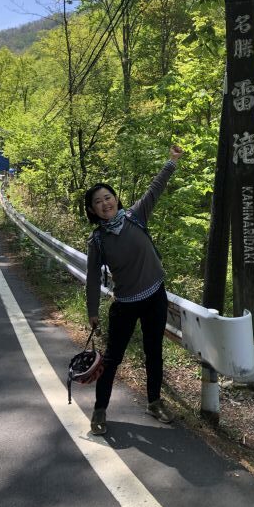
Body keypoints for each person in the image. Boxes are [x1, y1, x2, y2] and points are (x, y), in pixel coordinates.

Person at [84, 145, 183, 435]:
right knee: (113, 358)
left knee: (154, 353)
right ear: (92, 210)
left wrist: (171, 162)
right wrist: (92, 312)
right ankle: (99, 410)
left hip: (155, 296)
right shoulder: (98, 241)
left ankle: (154, 402)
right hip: (125, 304)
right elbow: (92, 279)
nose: (105, 203)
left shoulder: (135, 216)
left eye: (108, 197)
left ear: (116, 199)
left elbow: (155, 189)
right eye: (98, 202)